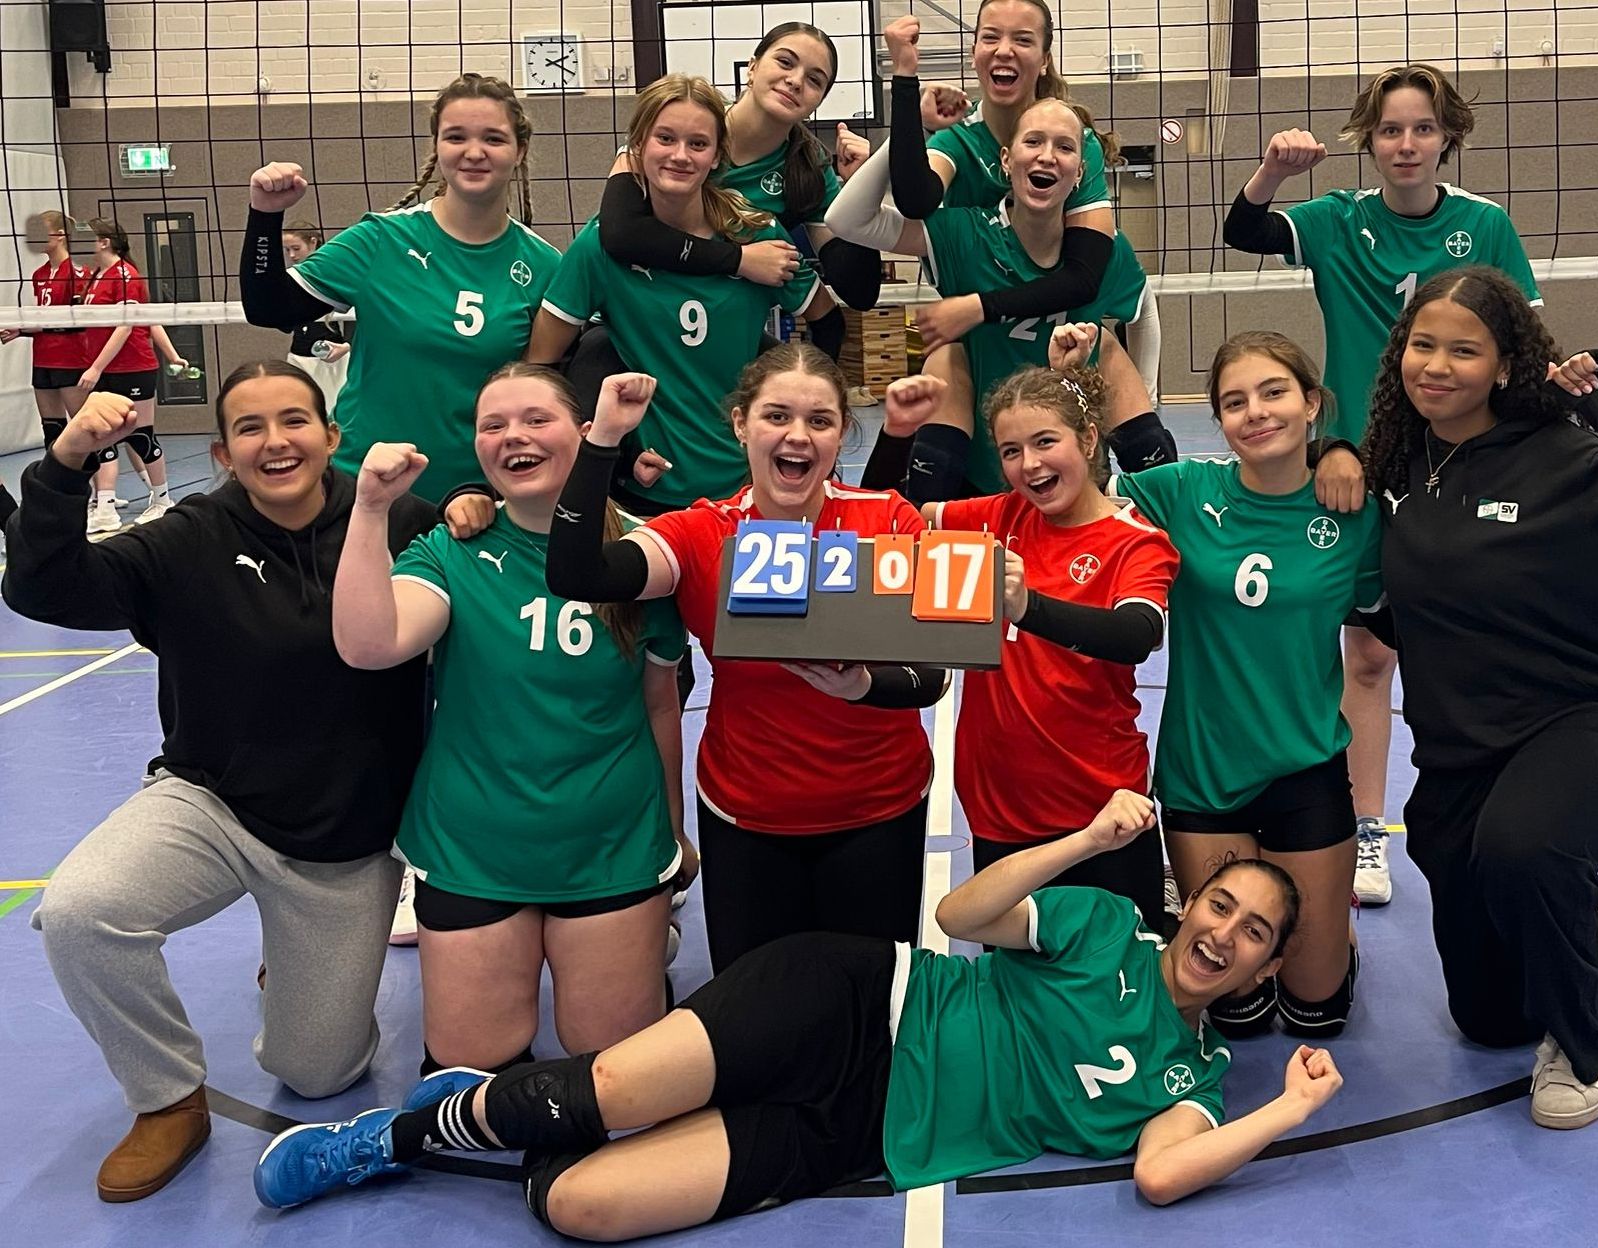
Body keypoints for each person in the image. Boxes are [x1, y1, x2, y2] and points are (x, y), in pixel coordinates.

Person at [255, 790, 1345, 1236]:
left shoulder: (1193, 1084)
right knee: (615, 1087)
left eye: (1254, 933)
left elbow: (1161, 1176)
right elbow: (961, 915)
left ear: (1264, 967)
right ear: (1190, 904)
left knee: (580, 1207)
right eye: (1221, 906)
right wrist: (1088, 844)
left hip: (865, 1131)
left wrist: (1285, 1110)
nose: (1225, 934)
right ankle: (396, 1136)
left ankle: (514, 1103)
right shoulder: (1107, 928)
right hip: (857, 1001)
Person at [2, 363, 435, 1202]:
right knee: (82, 913)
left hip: (344, 840)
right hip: (212, 802)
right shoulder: (187, 538)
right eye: (250, 428)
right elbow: (45, 588)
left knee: (319, 1075)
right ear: (224, 453)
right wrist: (66, 461)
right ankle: (167, 1099)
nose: (276, 442)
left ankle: (292, 966)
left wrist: (475, 505)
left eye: (294, 421)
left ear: (331, 436)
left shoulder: (399, 519)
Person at [1357, 266, 1598, 1127]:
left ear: (1504, 365)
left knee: (1524, 849)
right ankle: (1569, 905)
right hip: (1460, 750)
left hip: (1581, 721)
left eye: (1464, 351)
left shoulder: (1566, 459)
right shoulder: (1396, 461)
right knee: (1488, 1022)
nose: (1436, 366)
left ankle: (1583, 1042)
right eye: (1422, 345)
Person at [1221, 63, 1542, 905]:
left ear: (1447, 137)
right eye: (1390, 129)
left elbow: (1522, 349)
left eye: (1422, 128)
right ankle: (1367, 830)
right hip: (1360, 465)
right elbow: (1243, 229)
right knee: (1366, 656)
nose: (1405, 144)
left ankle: (1526, 842)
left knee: (1476, 651)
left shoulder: (1484, 225)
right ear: (1368, 139)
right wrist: (1272, 171)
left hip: (1463, 467)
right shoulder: (1337, 219)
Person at [331, 363, 687, 1072]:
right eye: (492, 425)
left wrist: (673, 839)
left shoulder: (645, 554)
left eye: (535, 419)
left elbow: (660, 705)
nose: (512, 436)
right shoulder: (453, 550)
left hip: (610, 841)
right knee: (472, 1067)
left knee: (611, 1065)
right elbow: (369, 645)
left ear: (584, 433)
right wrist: (370, 509)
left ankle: (645, 948)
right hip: (475, 846)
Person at [542, 347, 943, 971]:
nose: (797, 435)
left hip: (878, 811)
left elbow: (931, 675)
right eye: (776, 416)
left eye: (819, 421)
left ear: (842, 433)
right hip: (747, 815)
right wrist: (605, 442)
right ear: (740, 424)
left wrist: (863, 686)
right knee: (756, 1001)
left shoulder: (886, 520)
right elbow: (577, 573)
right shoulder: (700, 533)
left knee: (869, 1002)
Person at [1113, 331, 1380, 1040]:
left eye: (1272, 393)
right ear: (1218, 420)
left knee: (1316, 1012)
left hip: (1304, 769)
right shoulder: (1181, 492)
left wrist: (1340, 451)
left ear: (1311, 403)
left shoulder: (1354, 515)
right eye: (1234, 402)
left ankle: (1336, 940)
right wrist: (1086, 370)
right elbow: (1079, 485)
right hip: (1204, 774)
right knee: (1236, 1011)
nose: (1255, 412)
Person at [889, 329, 1178, 923]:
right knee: (1016, 972)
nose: (1030, 464)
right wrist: (898, 432)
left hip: (1101, 805)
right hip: (999, 805)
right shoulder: (1002, 515)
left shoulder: (1135, 541)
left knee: (1117, 963)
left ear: (1089, 439)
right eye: (1011, 451)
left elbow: (1134, 636)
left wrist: (1028, 608)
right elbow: (889, 518)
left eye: (1046, 441)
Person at [853, 10, 1173, 488]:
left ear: (1081, 169)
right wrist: (906, 106)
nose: (1046, 157)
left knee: (1109, 368)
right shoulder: (964, 202)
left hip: (1058, 394)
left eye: (1064, 148)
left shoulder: (1100, 245)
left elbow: (1121, 296)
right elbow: (894, 206)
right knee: (947, 367)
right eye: (1033, 143)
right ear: (1006, 160)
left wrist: (1146, 400)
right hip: (980, 371)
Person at [240, 71, 561, 504]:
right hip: (366, 490)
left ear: (519, 150)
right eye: (456, 137)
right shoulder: (382, 239)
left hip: (479, 498)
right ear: (437, 146)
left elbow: (550, 389)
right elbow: (268, 308)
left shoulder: (544, 264)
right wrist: (265, 215)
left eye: (493, 138)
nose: (474, 152)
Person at [526, 74, 826, 518]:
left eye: (698, 143)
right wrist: (616, 452)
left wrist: (801, 421)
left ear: (717, 155)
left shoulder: (757, 233)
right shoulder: (599, 246)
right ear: (637, 146)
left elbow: (828, 323)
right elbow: (540, 368)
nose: (680, 156)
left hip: (751, 487)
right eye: (665, 138)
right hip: (646, 494)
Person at [593, 21, 884, 354]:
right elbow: (620, 233)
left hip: (720, 328)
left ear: (820, 99)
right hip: (634, 315)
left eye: (814, 80)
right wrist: (740, 259)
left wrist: (860, 189)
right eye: (785, 62)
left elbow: (859, 292)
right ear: (752, 67)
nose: (795, 80)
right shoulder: (687, 127)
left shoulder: (808, 165)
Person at [78, 218, 189, 533]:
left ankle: (162, 499)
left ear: (104, 242)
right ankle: (106, 508)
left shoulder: (126, 274)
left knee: (140, 436)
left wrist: (95, 368)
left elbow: (129, 326)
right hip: (105, 367)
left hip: (134, 367)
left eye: (86, 238)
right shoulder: (96, 276)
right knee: (102, 435)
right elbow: (149, 317)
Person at [0, 211, 90, 454]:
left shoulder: (77, 272)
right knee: (52, 431)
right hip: (42, 358)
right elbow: (45, 319)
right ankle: (57, 478)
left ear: (60, 235)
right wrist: (21, 331)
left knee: (83, 427)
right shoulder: (38, 274)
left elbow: (77, 322)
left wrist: (25, 327)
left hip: (70, 359)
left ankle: (97, 479)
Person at [278, 220, 351, 413]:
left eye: (296, 248)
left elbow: (361, 317)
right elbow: (284, 324)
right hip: (299, 358)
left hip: (333, 359)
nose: (292, 255)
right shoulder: (290, 279)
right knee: (302, 411)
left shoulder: (334, 274)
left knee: (337, 413)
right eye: (287, 250)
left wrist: (347, 346)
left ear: (312, 242)